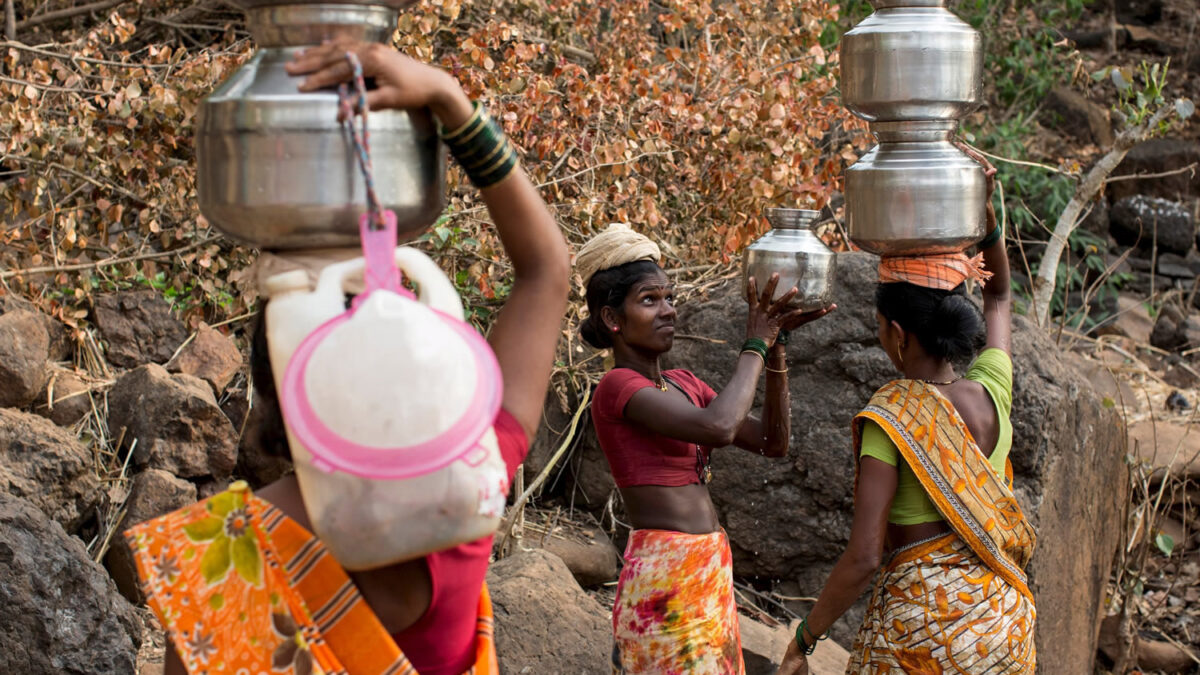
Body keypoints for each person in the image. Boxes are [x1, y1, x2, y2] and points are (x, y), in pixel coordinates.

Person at [124, 42, 570, 675]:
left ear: (273, 382)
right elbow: (547, 271)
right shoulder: (473, 483)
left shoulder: (227, 556)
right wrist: (451, 104)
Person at [774, 147, 1037, 675]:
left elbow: (864, 557)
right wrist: (986, 221)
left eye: (878, 324)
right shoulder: (992, 390)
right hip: (1002, 627)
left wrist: (804, 639)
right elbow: (1001, 297)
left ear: (896, 333)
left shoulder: (893, 419)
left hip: (923, 631)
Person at [576, 224, 834, 674]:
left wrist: (776, 350)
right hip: (665, 582)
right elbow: (719, 426)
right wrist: (755, 342)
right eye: (649, 300)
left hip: (707, 572)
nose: (668, 310)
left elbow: (773, 443)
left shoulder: (684, 383)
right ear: (612, 320)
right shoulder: (618, 387)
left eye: (669, 297)